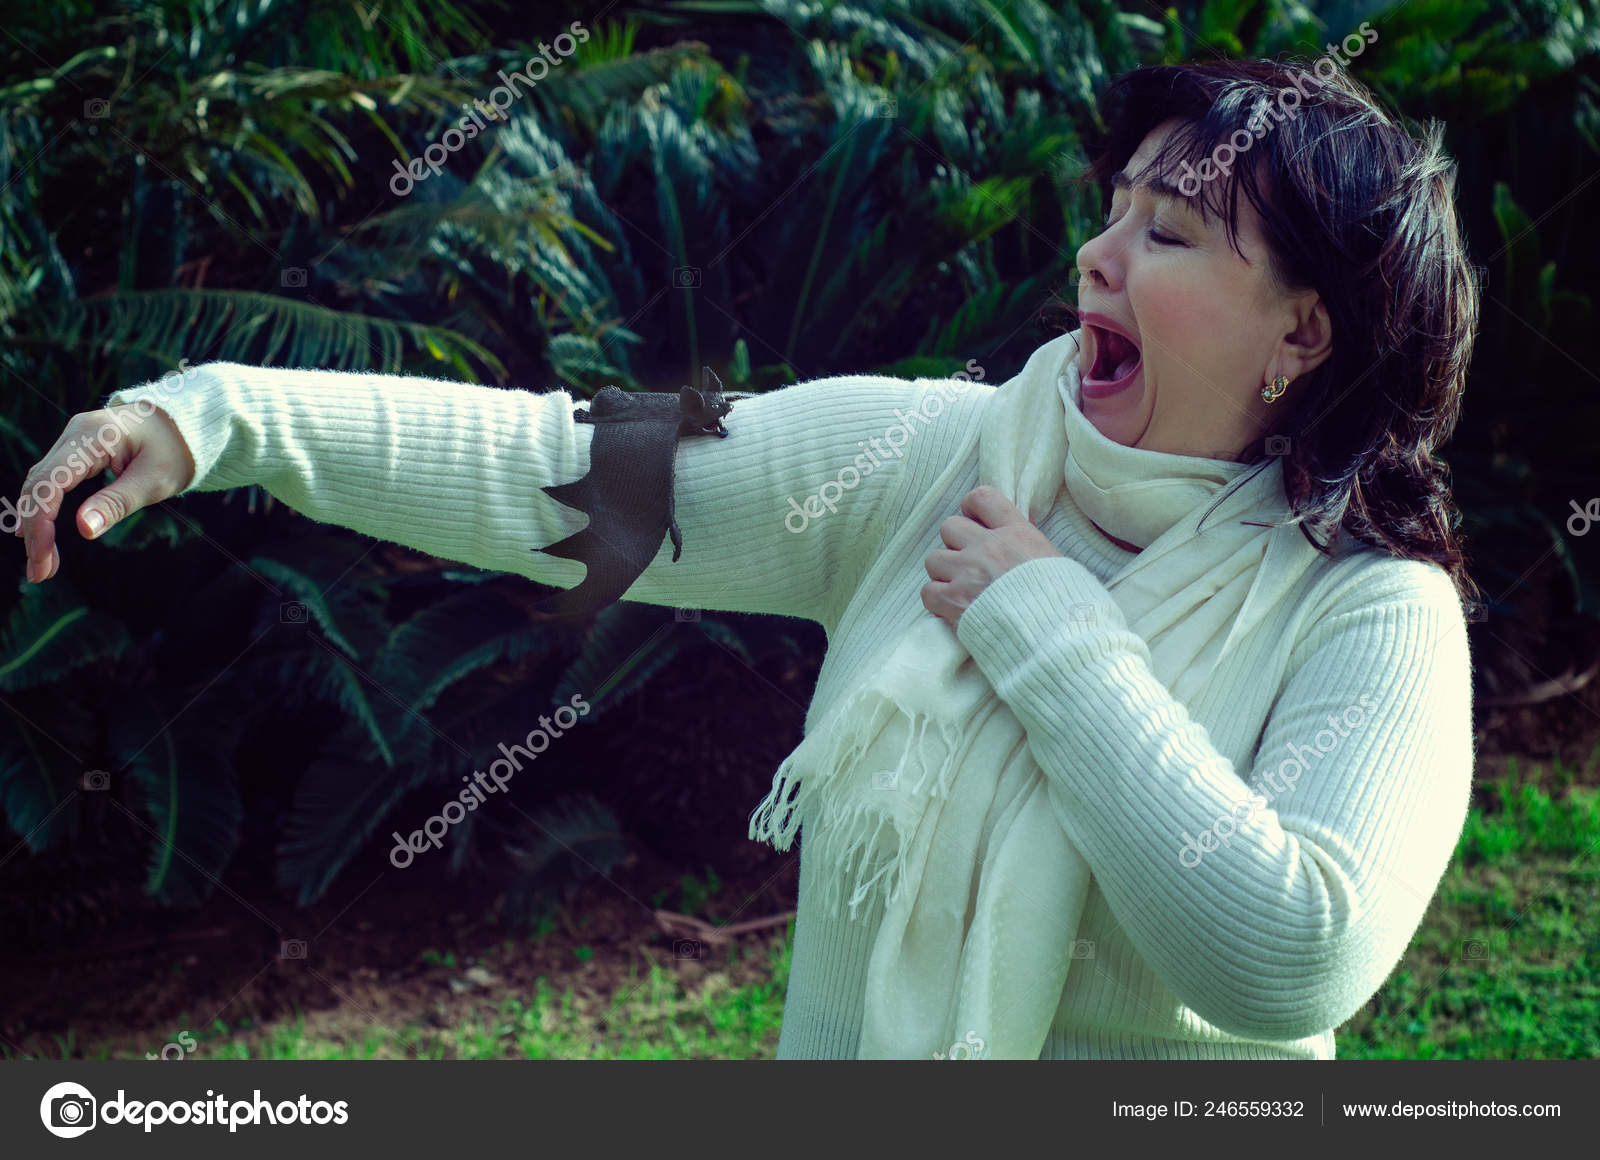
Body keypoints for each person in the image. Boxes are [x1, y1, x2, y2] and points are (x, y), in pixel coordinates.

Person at [12, 57, 1477, 1059]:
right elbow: (561, 463)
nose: (1098, 257)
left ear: (1304, 330)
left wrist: (1046, 629)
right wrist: (219, 415)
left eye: (1170, 233)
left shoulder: (1372, 609)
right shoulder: (932, 455)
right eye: (1111, 213)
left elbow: (1287, 953)